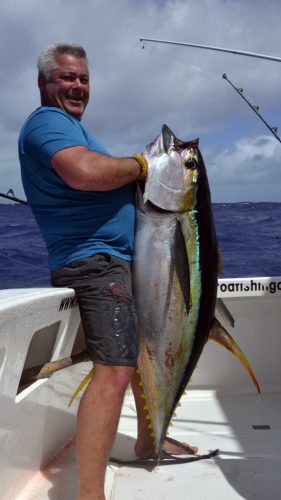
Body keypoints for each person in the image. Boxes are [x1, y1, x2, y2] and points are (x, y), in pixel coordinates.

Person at [18, 43, 197, 500]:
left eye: (83, 79)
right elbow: (83, 173)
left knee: (139, 352)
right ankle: (90, 495)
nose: (78, 86)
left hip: (121, 258)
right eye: (67, 78)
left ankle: (145, 438)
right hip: (95, 261)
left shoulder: (73, 127)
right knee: (115, 368)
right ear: (44, 84)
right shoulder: (47, 123)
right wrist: (141, 166)